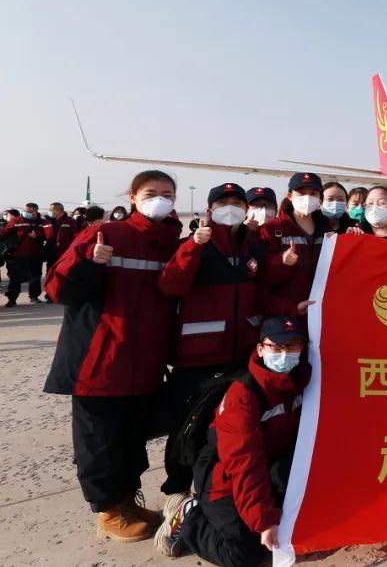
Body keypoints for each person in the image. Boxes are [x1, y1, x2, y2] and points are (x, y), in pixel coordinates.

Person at [43, 170, 182, 542]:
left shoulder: (170, 243)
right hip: (100, 360)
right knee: (99, 441)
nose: (160, 199)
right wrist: (90, 262)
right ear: (132, 197)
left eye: (167, 193)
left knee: (131, 437)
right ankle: (107, 511)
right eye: (151, 192)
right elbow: (56, 287)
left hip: (145, 361)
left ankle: (126, 502)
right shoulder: (106, 234)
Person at [164, 316, 311, 565]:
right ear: (261, 349)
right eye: (276, 346)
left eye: (292, 346)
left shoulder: (303, 380)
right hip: (225, 477)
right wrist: (264, 521)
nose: (285, 353)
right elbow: (245, 463)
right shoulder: (243, 397)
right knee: (242, 555)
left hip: (272, 467)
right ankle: (188, 514)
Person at [157, 182, 270, 499]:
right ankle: (178, 489)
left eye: (238, 203)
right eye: (223, 203)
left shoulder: (252, 248)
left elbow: (263, 291)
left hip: (239, 356)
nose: (230, 208)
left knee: (227, 426)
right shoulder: (194, 244)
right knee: (186, 426)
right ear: (209, 210)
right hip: (197, 356)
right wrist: (193, 246)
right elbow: (170, 285)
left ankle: (214, 488)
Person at [258, 173, 329, 318]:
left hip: (322, 312)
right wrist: (281, 262)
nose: (307, 198)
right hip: (286, 315)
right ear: (290, 196)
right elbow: (261, 279)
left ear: (320, 198)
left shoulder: (328, 230)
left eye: (313, 194)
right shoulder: (271, 228)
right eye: (301, 193)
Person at [2, 202, 46, 306]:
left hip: (35, 254)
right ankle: (12, 299)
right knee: (15, 278)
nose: (26, 212)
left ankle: (34, 296)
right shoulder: (16, 220)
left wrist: (38, 236)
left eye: (29, 211)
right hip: (18, 254)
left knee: (35, 277)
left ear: (35, 211)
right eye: (25, 210)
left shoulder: (42, 222)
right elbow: (6, 231)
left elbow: (48, 235)